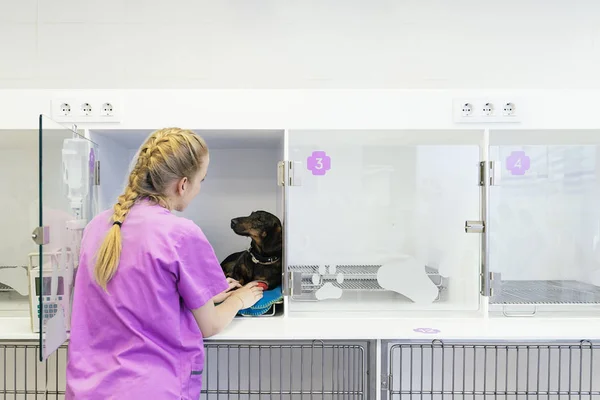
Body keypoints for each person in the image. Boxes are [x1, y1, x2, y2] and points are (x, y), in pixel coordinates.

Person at [65, 128, 264, 399]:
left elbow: (132, 292)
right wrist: (240, 299)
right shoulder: (181, 233)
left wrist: (208, 292)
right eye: (200, 180)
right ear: (183, 184)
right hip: (152, 389)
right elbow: (211, 325)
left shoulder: (98, 225)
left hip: (89, 389)